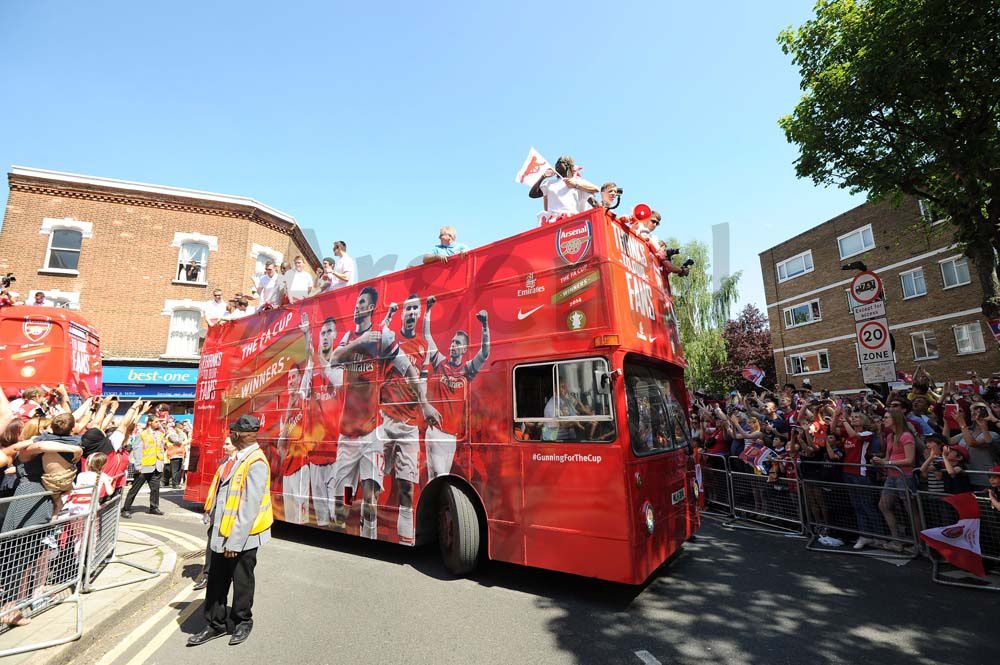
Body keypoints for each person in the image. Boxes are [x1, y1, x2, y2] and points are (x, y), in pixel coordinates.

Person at [329, 286, 440, 539]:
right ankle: (342, 536)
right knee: (343, 501)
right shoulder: (348, 338)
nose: (357, 307)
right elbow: (334, 359)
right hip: (347, 438)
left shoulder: (384, 339)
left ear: (371, 308)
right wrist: (361, 342)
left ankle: (370, 539)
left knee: (370, 499)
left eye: (363, 303)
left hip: (371, 436)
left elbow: (409, 371)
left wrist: (424, 403)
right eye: (356, 303)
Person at [187, 416, 271, 647]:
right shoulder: (232, 459)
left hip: (241, 537)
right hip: (220, 532)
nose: (230, 435)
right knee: (216, 581)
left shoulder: (256, 462)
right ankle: (216, 624)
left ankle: (243, 621)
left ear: (239, 435)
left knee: (242, 581)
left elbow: (248, 507)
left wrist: (234, 543)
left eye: (232, 432)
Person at [422, 301, 490, 478]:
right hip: (436, 432)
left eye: (457, 343)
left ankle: (433, 505)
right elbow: (427, 336)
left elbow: (484, 353)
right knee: (440, 476)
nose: (453, 344)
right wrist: (428, 311)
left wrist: (484, 325)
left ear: (465, 349)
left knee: (434, 478)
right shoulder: (441, 362)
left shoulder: (466, 370)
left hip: (451, 436)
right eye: (452, 341)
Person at [192, 437, 237, 592]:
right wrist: (209, 508)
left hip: (231, 513)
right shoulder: (224, 461)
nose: (224, 446)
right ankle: (207, 574)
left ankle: (225, 575)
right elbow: (216, 487)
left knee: (228, 545)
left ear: (236, 445)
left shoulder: (241, 463)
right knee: (212, 541)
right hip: (217, 510)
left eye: (227, 444)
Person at [528, 155, 598, 224]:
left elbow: (594, 200)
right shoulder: (549, 183)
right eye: (556, 162)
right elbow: (532, 194)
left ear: (568, 166)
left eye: (560, 162)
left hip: (571, 220)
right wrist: (543, 177)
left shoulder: (576, 182)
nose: (557, 164)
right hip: (552, 221)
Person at [121, 417, 166, 518]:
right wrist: (138, 464)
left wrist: (161, 462)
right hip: (144, 466)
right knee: (135, 489)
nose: (158, 423)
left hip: (156, 465)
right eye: (156, 421)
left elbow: (161, 449)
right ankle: (126, 509)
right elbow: (137, 449)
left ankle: (153, 508)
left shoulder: (160, 434)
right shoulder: (142, 434)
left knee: (155, 489)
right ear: (150, 422)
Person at [165, 424, 187, 489]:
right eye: (180, 428)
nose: (181, 430)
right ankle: (175, 484)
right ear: (176, 428)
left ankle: (177, 483)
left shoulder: (178, 434)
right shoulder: (171, 435)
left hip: (180, 454)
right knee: (175, 470)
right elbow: (179, 442)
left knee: (179, 470)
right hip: (174, 454)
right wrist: (181, 433)